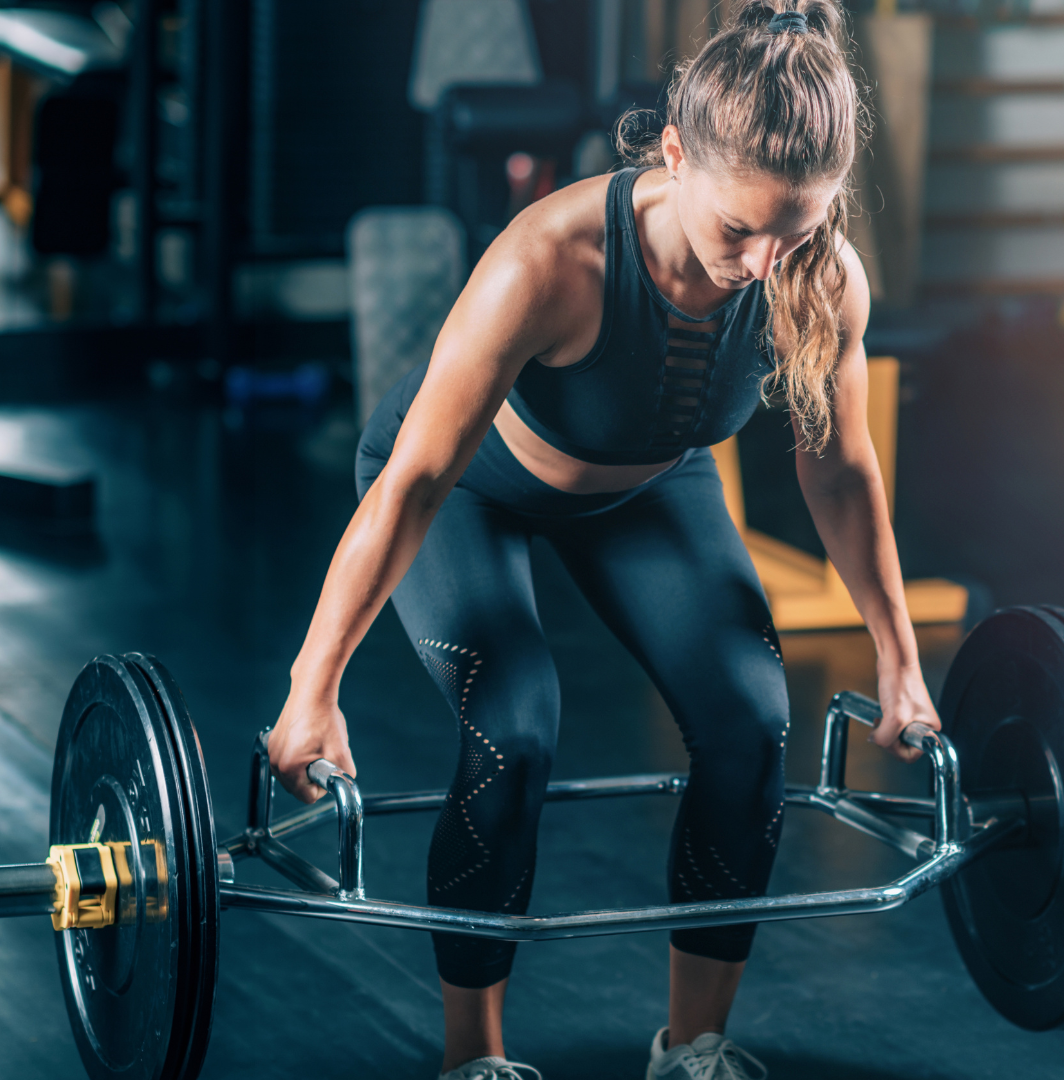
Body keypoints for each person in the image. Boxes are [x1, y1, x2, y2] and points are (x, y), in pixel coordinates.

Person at [265, 3, 939, 1076]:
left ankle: (694, 1047)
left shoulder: (819, 275)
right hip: (470, 490)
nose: (765, 264)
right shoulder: (551, 261)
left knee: (750, 721)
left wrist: (900, 665)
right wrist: (314, 685)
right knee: (517, 729)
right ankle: (472, 1059)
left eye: (796, 231)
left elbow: (841, 471)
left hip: (647, 487)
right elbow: (417, 480)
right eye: (739, 232)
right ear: (674, 155)